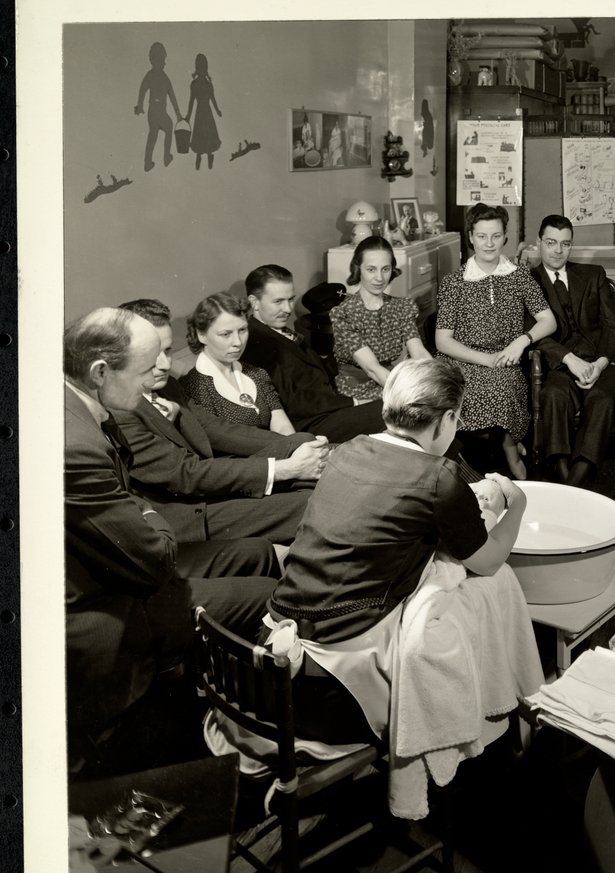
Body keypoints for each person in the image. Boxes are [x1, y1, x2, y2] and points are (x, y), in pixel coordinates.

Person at [261, 359, 533, 744]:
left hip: (281, 625)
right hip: (342, 657)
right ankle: (491, 716)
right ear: (448, 417)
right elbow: (487, 561)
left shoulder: (352, 448)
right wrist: (516, 504)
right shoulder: (440, 476)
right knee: (489, 588)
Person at [64, 307, 279, 771]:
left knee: (252, 551)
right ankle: (251, 739)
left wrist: (139, 512)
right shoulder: (76, 445)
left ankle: (210, 696)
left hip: (120, 567)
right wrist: (143, 510)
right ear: (101, 371)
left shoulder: (82, 404)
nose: (153, 380)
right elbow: (153, 557)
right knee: (269, 596)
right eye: (146, 369)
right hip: (104, 608)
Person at [113, 299, 327, 545]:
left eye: (168, 350)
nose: (165, 364)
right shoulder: (121, 408)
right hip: (185, 513)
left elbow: (216, 429)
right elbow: (186, 474)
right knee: (311, 501)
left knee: (302, 442)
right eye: (151, 354)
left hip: (205, 484)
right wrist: (286, 469)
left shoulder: (167, 385)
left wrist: (302, 449)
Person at [435, 202, 557, 480]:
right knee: (445, 395)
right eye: (481, 236)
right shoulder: (454, 282)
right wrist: (484, 359)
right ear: (470, 237)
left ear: (505, 237)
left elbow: (549, 321)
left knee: (502, 389)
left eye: (495, 236)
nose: (489, 243)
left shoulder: (519, 277)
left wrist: (521, 342)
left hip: (504, 359)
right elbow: (443, 341)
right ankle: (459, 465)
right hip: (460, 359)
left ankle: (509, 451)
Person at [528, 213, 615, 488]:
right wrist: (568, 359)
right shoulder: (526, 282)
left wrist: (599, 365)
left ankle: (572, 485)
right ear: (538, 242)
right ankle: (566, 476)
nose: (558, 250)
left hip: (603, 361)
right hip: (559, 364)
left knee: (603, 398)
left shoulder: (593, 274)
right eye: (551, 242)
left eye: (565, 244)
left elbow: (613, 326)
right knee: (553, 396)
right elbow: (531, 334)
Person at [240, 264, 388, 442]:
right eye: (278, 301)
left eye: (290, 299)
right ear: (254, 302)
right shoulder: (257, 344)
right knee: (399, 410)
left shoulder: (281, 332)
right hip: (311, 424)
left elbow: (317, 373)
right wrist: (354, 402)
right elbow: (292, 402)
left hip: (330, 408)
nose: (288, 309)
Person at [182, 292, 300, 435]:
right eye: (226, 334)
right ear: (202, 335)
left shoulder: (257, 374)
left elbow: (282, 426)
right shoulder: (194, 387)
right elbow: (220, 443)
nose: (238, 342)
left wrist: (297, 447)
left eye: (242, 330)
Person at [330, 236, 430, 402]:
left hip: (391, 382)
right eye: (371, 269)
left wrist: (436, 381)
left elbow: (418, 352)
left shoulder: (402, 307)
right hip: (357, 392)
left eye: (385, 269)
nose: (379, 278)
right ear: (358, 269)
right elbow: (372, 369)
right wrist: (411, 394)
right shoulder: (344, 314)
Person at [133, 41, 180, 172]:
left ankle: (148, 162)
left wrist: (140, 105)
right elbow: (143, 89)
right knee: (168, 127)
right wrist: (139, 104)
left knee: (153, 134)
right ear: (155, 60)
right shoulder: (160, 77)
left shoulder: (156, 76)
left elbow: (171, 96)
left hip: (153, 112)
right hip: (157, 111)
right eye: (163, 60)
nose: (164, 63)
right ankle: (166, 157)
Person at [186, 52, 221, 171]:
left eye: (203, 67)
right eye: (200, 67)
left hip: (206, 112)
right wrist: (188, 117)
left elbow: (213, 99)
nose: (201, 70)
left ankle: (209, 156)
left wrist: (217, 110)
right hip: (200, 112)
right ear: (197, 68)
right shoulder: (194, 84)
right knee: (201, 134)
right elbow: (191, 101)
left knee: (208, 134)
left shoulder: (208, 84)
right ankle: (199, 156)